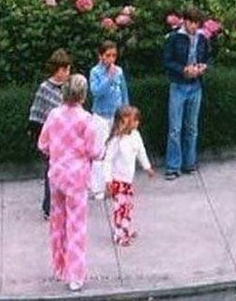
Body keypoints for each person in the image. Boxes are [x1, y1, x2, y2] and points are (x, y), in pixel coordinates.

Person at [38, 73, 104, 293]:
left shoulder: (53, 115)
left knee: (58, 223)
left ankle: (60, 267)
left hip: (57, 175)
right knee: (76, 227)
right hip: (77, 178)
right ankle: (75, 276)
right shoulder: (86, 120)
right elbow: (94, 151)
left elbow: (42, 144)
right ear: (83, 95)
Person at [162, 5, 211, 180]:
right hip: (179, 85)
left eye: (197, 24)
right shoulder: (174, 38)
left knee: (192, 127)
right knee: (175, 128)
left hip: (195, 85)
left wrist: (203, 66)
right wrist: (183, 69)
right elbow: (167, 61)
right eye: (192, 23)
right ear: (185, 22)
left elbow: (208, 57)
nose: (194, 27)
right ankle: (173, 166)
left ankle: (189, 163)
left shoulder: (202, 38)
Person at [28, 49, 72, 219]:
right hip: (52, 138)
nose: (67, 73)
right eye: (64, 69)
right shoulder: (45, 88)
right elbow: (37, 112)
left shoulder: (69, 87)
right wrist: (39, 137)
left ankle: (65, 203)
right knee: (51, 172)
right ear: (57, 69)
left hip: (68, 137)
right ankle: (49, 207)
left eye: (68, 69)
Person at [104, 105, 154, 245]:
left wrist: (147, 167)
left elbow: (141, 152)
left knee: (128, 206)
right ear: (124, 122)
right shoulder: (116, 141)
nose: (137, 122)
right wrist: (108, 180)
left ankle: (126, 228)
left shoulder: (136, 135)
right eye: (134, 120)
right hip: (118, 181)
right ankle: (119, 234)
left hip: (128, 180)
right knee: (120, 208)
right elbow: (107, 160)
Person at [88, 40, 129, 197]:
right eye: (108, 55)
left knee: (117, 151)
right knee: (100, 152)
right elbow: (96, 92)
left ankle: (117, 184)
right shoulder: (95, 72)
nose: (111, 59)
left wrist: (126, 111)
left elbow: (124, 92)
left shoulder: (119, 71)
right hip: (101, 116)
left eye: (114, 55)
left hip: (116, 115)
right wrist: (109, 78)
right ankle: (98, 188)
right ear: (101, 56)